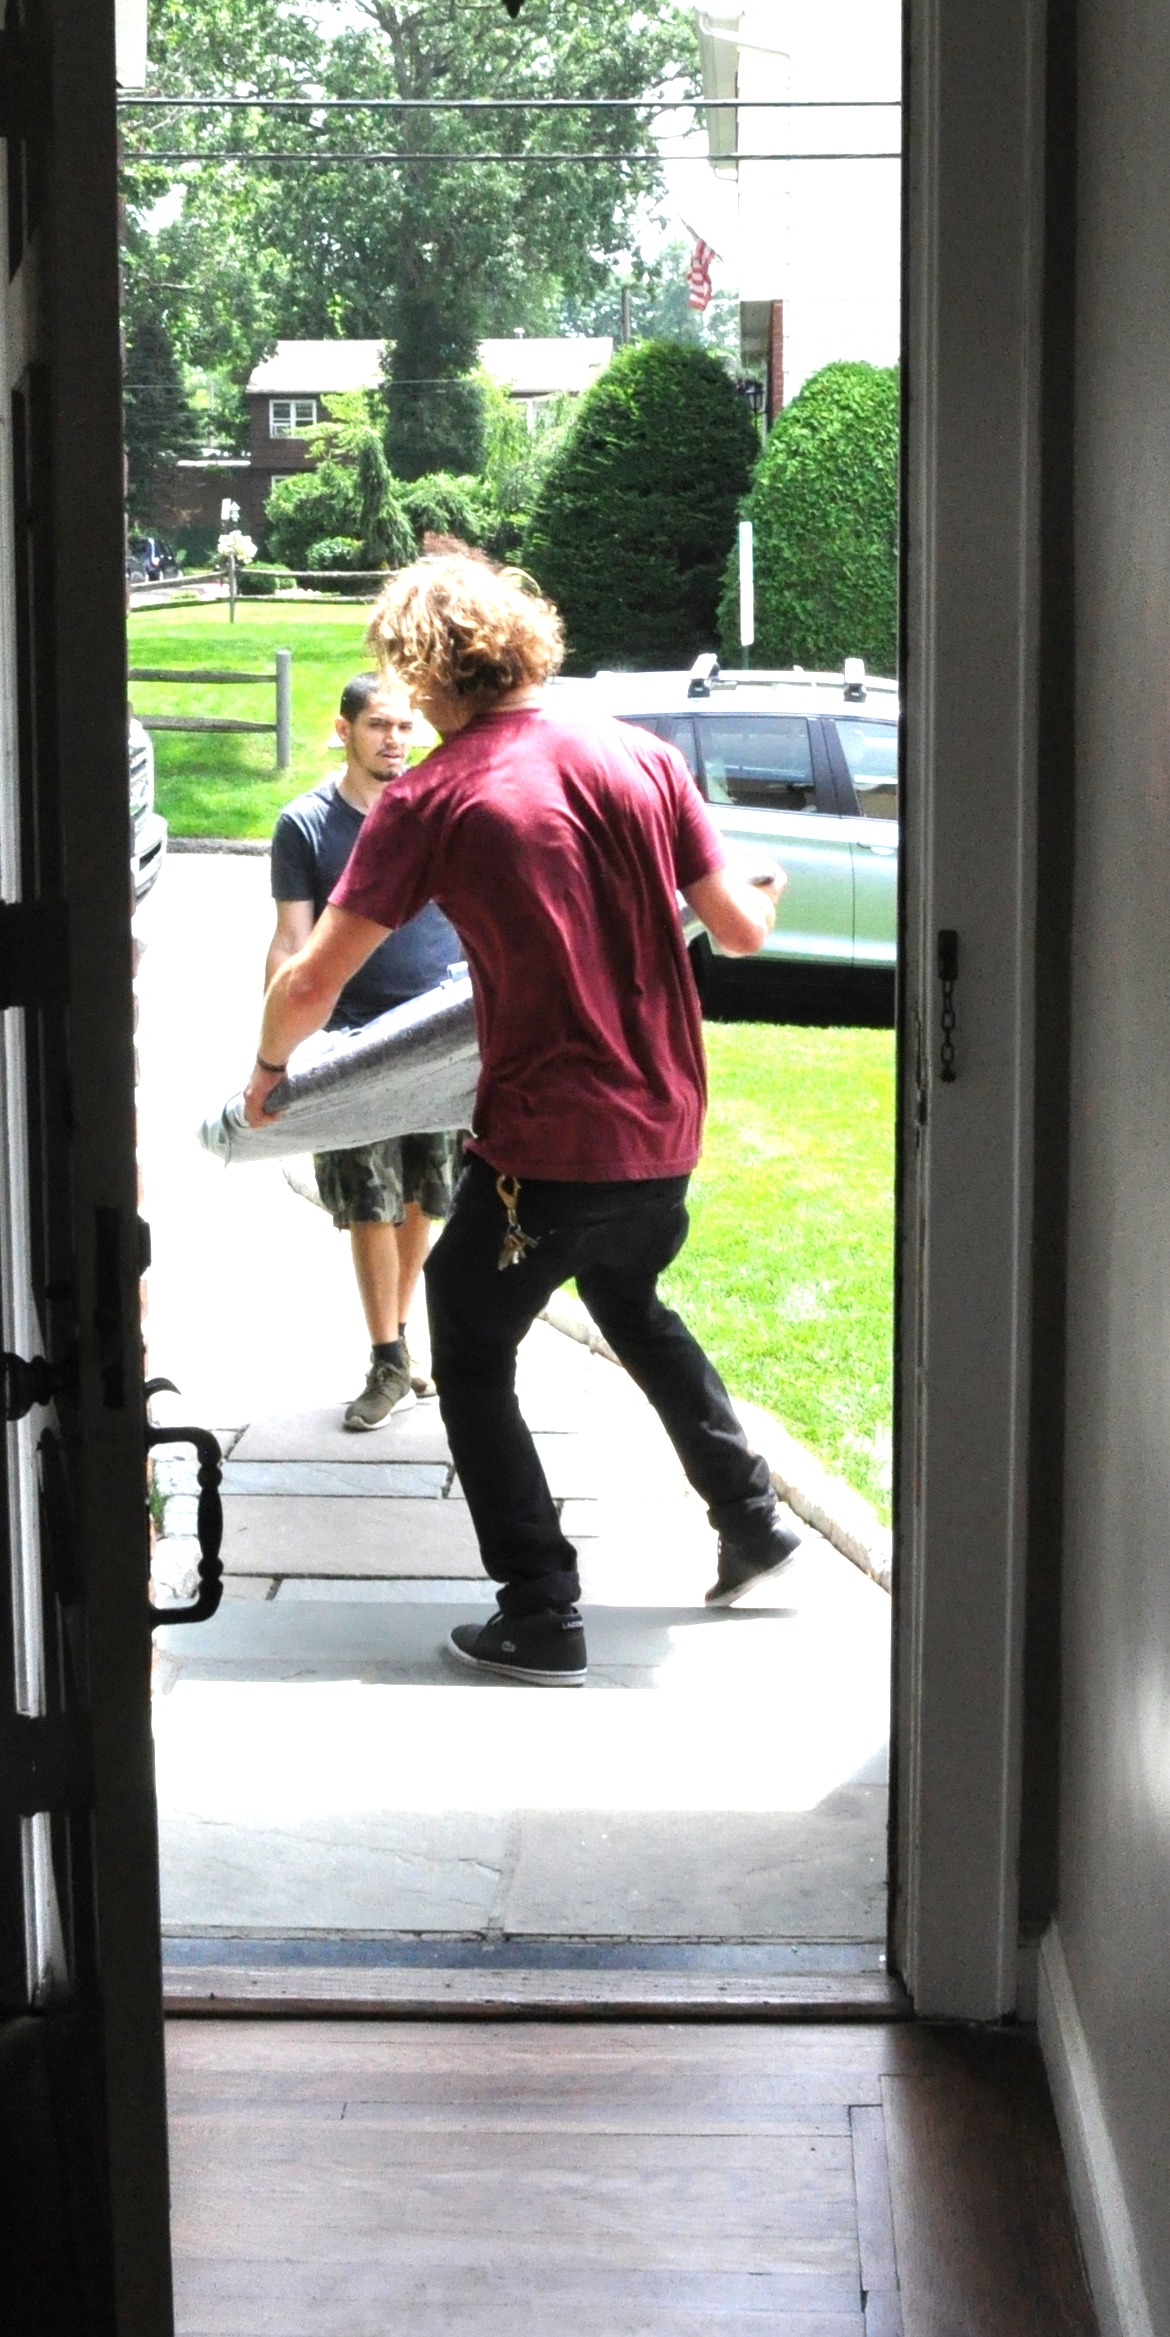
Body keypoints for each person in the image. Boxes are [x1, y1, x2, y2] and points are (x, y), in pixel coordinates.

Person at [243, 559, 798, 1685]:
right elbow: (739, 930)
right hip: (664, 1129)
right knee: (630, 1295)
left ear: (426, 667)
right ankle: (751, 1518)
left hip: (548, 1143)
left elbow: (310, 983)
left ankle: (540, 1609)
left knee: (473, 1348)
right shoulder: (640, 752)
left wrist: (266, 1074)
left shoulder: (434, 794)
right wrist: (767, 886)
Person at [265, 672, 468, 1432]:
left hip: (440, 1037)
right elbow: (291, 940)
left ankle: (399, 1340)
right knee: (370, 1203)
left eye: (405, 727)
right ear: (344, 729)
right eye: (380, 725)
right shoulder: (306, 825)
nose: (395, 740)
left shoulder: (436, 814)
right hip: (353, 1041)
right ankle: (386, 1355)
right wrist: (274, 1051)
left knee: (424, 1196)